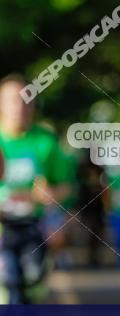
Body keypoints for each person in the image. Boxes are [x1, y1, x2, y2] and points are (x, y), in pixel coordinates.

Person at [0, 74, 73, 303]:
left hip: (35, 227)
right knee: (9, 282)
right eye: (12, 100)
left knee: (33, 284)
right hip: (3, 228)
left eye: (25, 99)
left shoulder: (46, 142)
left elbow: (67, 188)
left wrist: (51, 197)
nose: (18, 107)